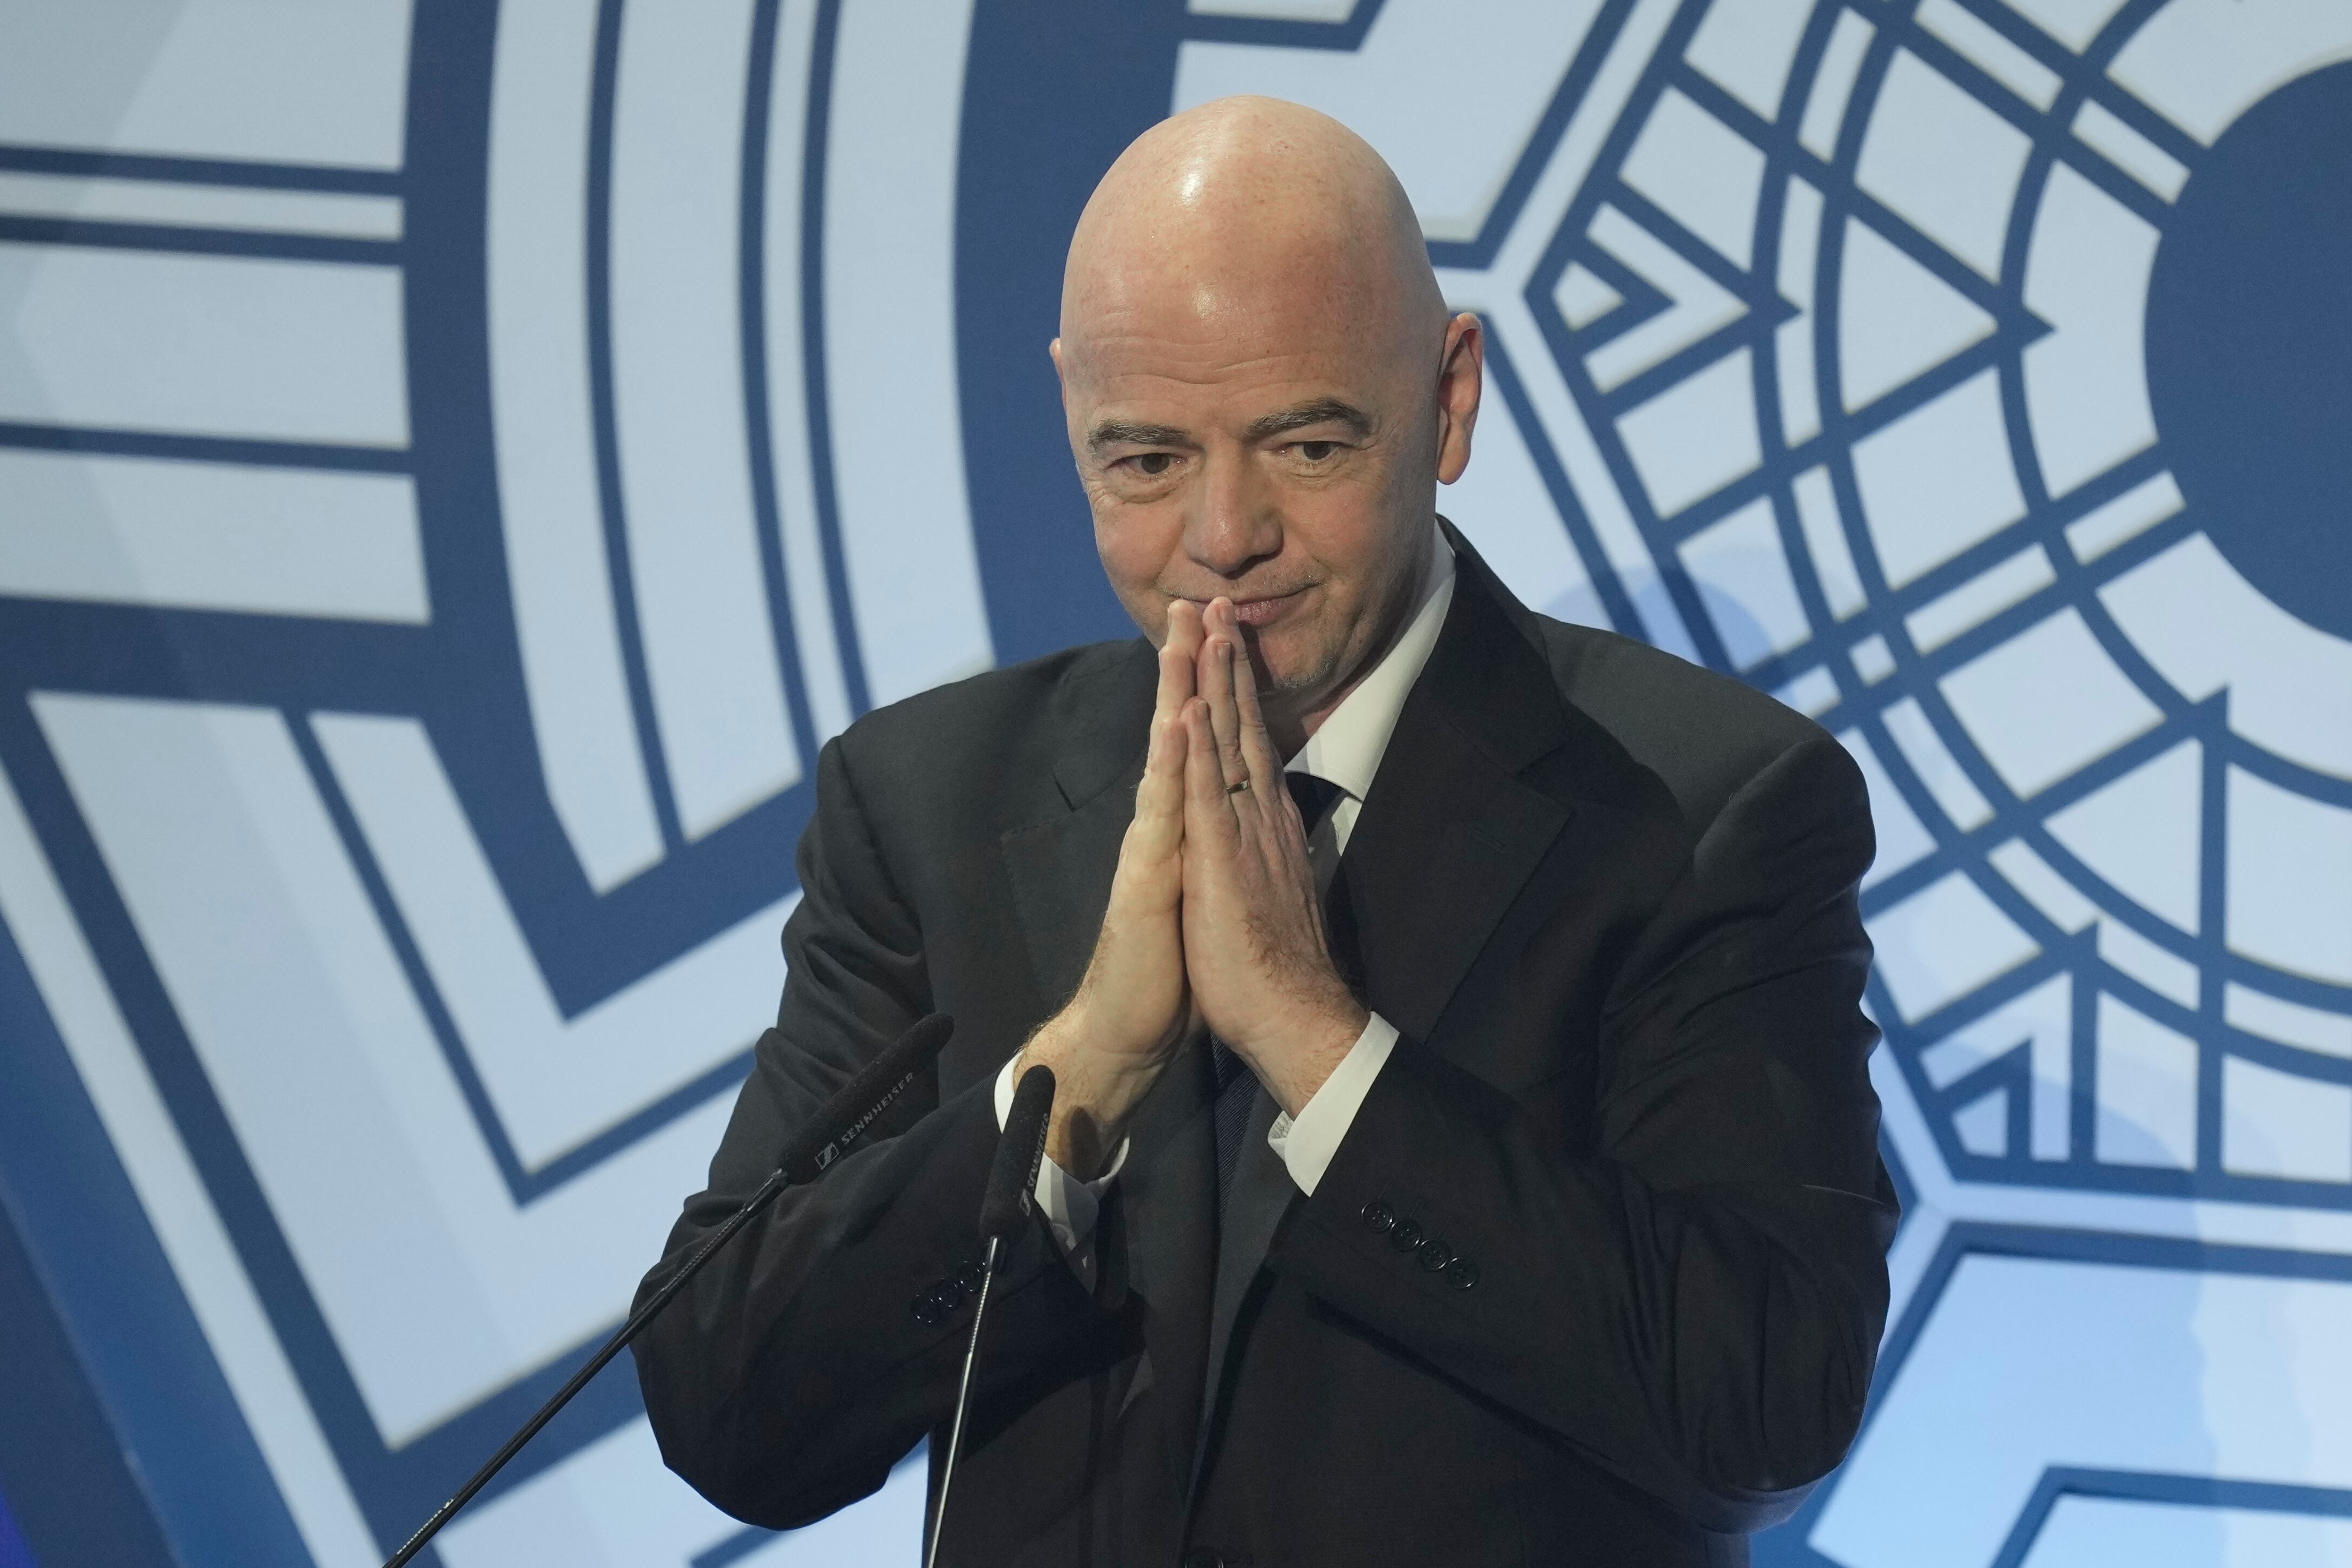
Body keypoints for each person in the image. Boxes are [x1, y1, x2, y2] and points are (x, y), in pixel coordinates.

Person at [633, 96, 1895, 1567]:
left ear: (1450, 396)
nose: (1222, 534)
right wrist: (1084, 1063)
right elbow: (726, 1403)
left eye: (1303, 444)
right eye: (1147, 458)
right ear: (1070, 414)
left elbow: (1758, 1406)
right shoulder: (926, 804)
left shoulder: (1705, 808)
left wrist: (1318, 1043)